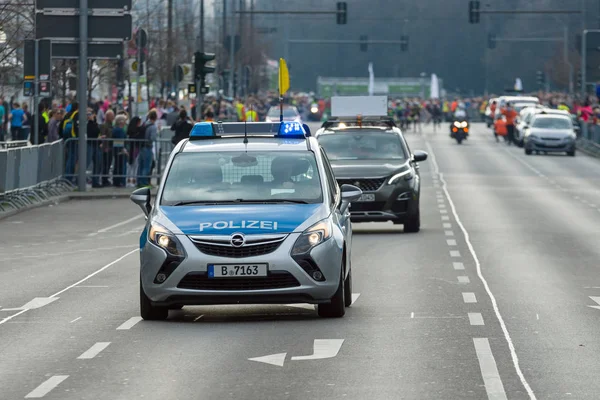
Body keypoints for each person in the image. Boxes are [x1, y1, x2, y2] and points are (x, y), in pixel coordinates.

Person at [137, 110, 157, 188]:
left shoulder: (144, 124)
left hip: (141, 147)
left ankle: (139, 181)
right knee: (147, 166)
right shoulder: (153, 126)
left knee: (141, 165)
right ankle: (144, 182)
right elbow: (152, 138)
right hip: (148, 147)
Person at [112, 114, 128, 187]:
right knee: (120, 166)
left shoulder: (116, 129)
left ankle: (117, 181)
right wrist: (123, 150)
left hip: (117, 150)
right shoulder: (119, 130)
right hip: (120, 151)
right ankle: (119, 182)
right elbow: (120, 141)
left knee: (117, 166)